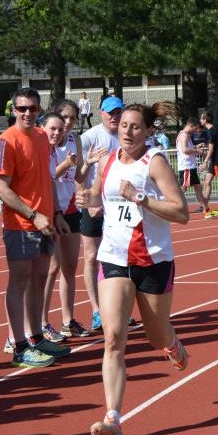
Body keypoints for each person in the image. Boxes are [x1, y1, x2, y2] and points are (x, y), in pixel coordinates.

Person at [76, 103, 190, 435]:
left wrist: (140, 197)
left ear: (148, 131)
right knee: (113, 337)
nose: (127, 131)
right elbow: (98, 201)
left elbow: (181, 212)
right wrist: (87, 199)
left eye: (135, 126)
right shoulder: (108, 161)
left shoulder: (155, 162)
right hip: (113, 258)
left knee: (155, 337)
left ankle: (171, 342)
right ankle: (113, 417)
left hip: (152, 260)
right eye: (124, 125)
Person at [0, 87, 73, 368]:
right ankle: (19, 346)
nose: (27, 113)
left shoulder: (41, 137)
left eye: (33, 108)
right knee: (20, 281)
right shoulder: (6, 141)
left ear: (39, 110)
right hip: (21, 224)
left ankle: (37, 337)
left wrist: (57, 213)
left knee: (39, 279)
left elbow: (48, 178)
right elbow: (1, 188)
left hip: (46, 222)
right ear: (13, 110)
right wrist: (33, 214)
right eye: (22, 108)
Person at [40, 102, 92, 340]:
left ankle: (68, 321)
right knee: (51, 269)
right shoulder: (45, 142)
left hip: (70, 207)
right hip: (51, 209)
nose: (68, 123)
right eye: (64, 118)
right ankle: (42, 323)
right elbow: (50, 176)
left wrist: (88, 164)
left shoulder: (75, 140)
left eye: (72, 118)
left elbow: (78, 175)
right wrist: (67, 163)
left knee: (70, 267)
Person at [79, 96, 124, 331]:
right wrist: (87, 202)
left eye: (118, 112)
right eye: (110, 112)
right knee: (91, 257)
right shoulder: (89, 137)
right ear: (101, 114)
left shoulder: (125, 135)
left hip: (117, 205)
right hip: (93, 205)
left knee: (118, 257)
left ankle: (116, 308)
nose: (114, 117)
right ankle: (97, 311)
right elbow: (77, 173)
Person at [176, 116, 211, 215]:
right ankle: (172, 206)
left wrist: (196, 146)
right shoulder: (184, 135)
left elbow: (187, 148)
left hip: (190, 166)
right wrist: (197, 151)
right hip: (186, 166)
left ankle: (206, 209)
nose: (196, 131)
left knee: (197, 187)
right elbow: (184, 150)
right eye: (195, 128)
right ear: (191, 125)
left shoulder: (186, 135)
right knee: (183, 188)